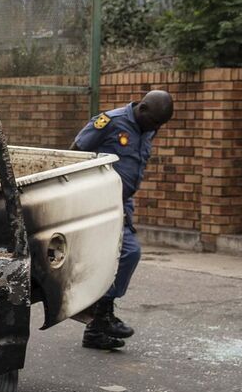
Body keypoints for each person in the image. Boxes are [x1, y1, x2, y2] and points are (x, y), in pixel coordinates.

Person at [71, 90, 175, 351]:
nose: (156, 129)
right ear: (142, 109)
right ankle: (102, 313)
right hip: (99, 200)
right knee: (129, 252)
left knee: (120, 255)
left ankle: (96, 330)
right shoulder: (109, 122)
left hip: (121, 203)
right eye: (155, 124)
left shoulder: (148, 127)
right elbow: (75, 153)